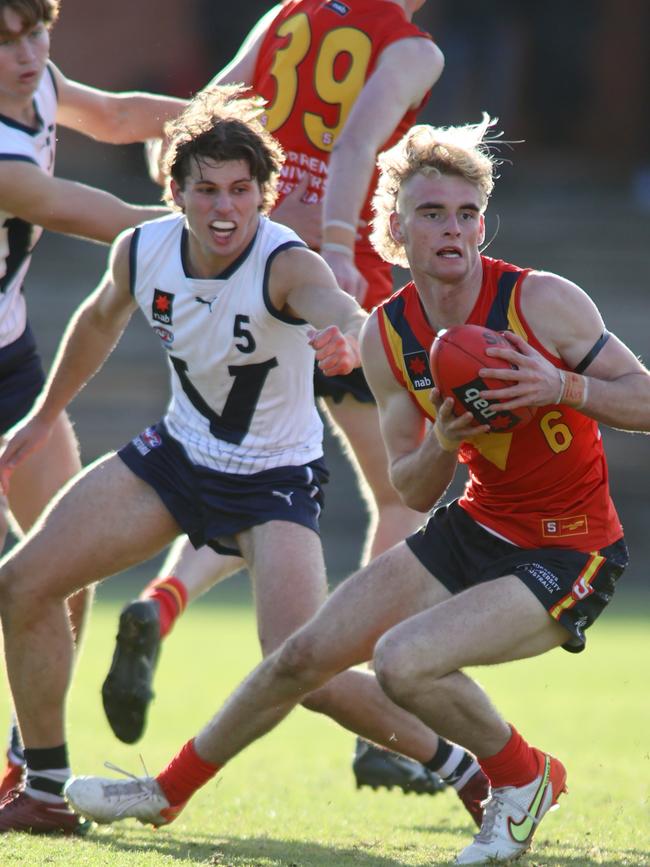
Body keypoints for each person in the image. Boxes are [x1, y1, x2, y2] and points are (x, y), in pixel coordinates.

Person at [63, 115, 650, 865]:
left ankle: (523, 776)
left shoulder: (541, 303)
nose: (453, 229)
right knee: (300, 656)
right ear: (396, 230)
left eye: (467, 213)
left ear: (482, 223)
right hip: (477, 525)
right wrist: (446, 438)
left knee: (402, 662)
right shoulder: (389, 335)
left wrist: (561, 383)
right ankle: (166, 791)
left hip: (572, 547)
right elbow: (407, 482)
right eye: (431, 213)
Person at [0, 85, 487, 837]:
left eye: (240, 190)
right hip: (176, 460)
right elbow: (97, 323)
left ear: (263, 194)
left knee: (301, 669)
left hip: (274, 485)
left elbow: (344, 312)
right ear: (176, 192)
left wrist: (343, 341)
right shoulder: (144, 249)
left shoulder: (284, 263)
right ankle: (45, 787)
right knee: (23, 582)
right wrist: (42, 415)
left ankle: (464, 768)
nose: (224, 208)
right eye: (206, 190)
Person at [102, 0, 448, 796]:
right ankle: (381, 722)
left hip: (245, 265)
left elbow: (211, 105)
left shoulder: (291, 8)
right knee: (402, 492)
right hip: (326, 275)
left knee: (247, 473)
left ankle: (165, 596)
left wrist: (188, 213)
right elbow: (358, 140)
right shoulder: (411, 47)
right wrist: (335, 251)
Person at [0, 0, 185, 797]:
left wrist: (223, 120)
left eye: (34, 32)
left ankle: (27, 751)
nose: (25, 54)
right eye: (3, 43)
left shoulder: (39, 82)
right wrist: (229, 222)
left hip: (11, 359)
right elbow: (105, 218)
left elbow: (112, 115)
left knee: (65, 565)